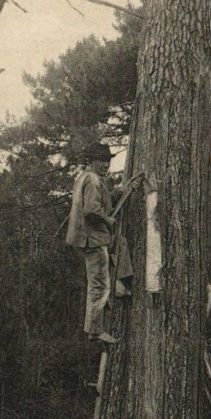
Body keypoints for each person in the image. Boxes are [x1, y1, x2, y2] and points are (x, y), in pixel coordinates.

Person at [66, 142, 136, 344]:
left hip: (93, 239)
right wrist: (107, 219)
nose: (105, 165)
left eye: (107, 161)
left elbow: (102, 201)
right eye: (101, 161)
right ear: (91, 161)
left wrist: (123, 191)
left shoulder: (85, 178)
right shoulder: (94, 181)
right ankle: (95, 330)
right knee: (99, 286)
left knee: (119, 243)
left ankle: (121, 285)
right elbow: (91, 210)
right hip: (93, 239)